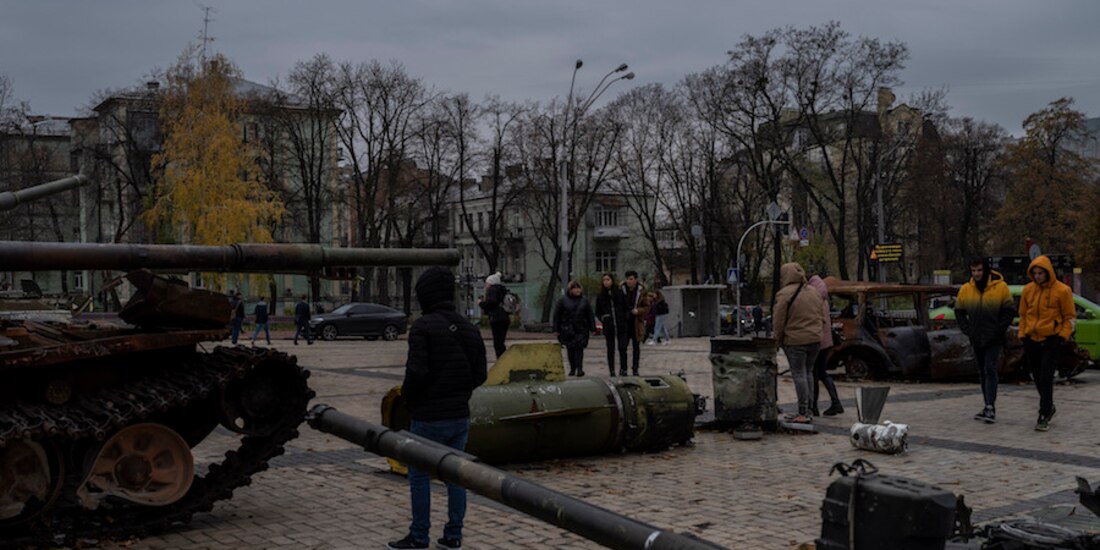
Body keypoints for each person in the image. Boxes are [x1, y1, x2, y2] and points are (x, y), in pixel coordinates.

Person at [388, 267, 487, 550]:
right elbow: (480, 373)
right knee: (456, 477)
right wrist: (460, 392)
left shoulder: (423, 326)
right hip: (459, 415)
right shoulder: (469, 328)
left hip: (428, 416)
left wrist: (407, 398)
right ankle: (453, 535)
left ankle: (419, 536)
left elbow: (416, 371)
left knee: (419, 475)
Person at [1018, 255, 1075, 432]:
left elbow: (1070, 317)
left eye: (1040, 273)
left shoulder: (1062, 291)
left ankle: (1043, 413)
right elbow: (1023, 315)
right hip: (1031, 339)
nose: (1037, 277)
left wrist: (1061, 337)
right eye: (1034, 273)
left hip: (1051, 339)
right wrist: (1023, 334)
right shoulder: (1028, 290)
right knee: (1037, 376)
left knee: (1046, 377)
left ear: (1048, 272)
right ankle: (1048, 406)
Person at [955, 257, 1015, 423]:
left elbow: (1009, 311)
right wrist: (968, 330)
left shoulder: (1000, 287)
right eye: (973, 271)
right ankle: (987, 404)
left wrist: (998, 330)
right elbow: (959, 311)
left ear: (986, 270)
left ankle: (990, 406)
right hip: (977, 337)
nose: (976, 274)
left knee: (990, 368)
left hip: (994, 337)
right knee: (982, 371)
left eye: (979, 270)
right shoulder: (966, 289)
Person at [772, 262, 824, 424]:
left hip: (795, 340)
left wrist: (777, 340)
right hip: (815, 339)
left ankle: (803, 411)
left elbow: (778, 321)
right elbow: (821, 315)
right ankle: (809, 408)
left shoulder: (784, 294)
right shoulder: (814, 292)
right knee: (808, 372)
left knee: (799, 374)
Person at [807, 275, 842, 417]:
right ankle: (835, 402)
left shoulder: (815, 299)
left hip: (818, 340)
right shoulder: (824, 299)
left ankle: (814, 406)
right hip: (826, 341)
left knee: (815, 373)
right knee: (821, 373)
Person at [553, 280, 596, 377]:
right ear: (570, 290)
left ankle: (580, 369)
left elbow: (590, 315)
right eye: (575, 288)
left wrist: (592, 328)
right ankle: (573, 368)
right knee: (571, 350)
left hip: (581, 329)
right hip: (568, 329)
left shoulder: (584, 301)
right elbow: (557, 315)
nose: (577, 290)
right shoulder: (563, 300)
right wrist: (556, 329)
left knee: (579, 349)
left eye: (578, 288)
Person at [594, 273, 626, 376]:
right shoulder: (601, 295)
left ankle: (623, 369)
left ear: (612, 280)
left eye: (608, 279)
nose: (606, 282)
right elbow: (598, 311)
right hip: (609, 326)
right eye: (604, 280)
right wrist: (604, 318)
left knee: (622, 348)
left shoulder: (619, 292)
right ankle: (611, 370)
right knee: (610, 349)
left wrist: (624, 317)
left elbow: (626, 307)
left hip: (621, 324)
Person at [618, 271, 649, 376]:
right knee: (623, 347)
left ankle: (635, 368)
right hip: (624, 322)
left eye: (631, 279)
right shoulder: (621, 290)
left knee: (636, 347)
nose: (629, 281)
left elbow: (647, 307)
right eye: (627, 279)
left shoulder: (642, 291)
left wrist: (638, 311)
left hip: (636, 322)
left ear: (636, 280)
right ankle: (623, 368)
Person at [478, 272, 511, 359]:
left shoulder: (492, 290)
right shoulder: (502, 290)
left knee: (498, 342)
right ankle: (503, 359)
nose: (486, 285)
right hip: (505, 317)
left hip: (497, 318)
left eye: (487, 283)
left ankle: (501, 360)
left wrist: (481, 303)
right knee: (500, 341)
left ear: (491, 282)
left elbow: (491, 303)